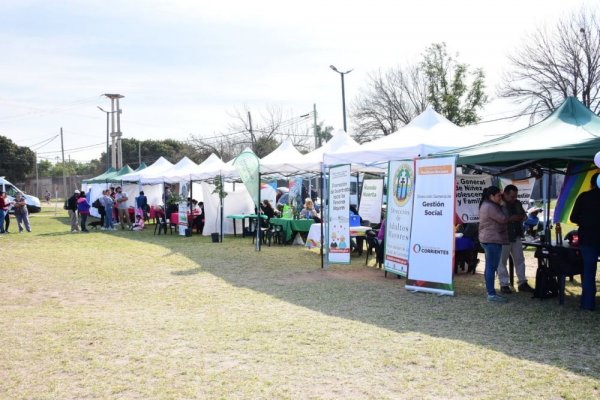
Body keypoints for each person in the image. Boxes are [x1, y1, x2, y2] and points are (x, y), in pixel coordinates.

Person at [478, 186, 523, 303]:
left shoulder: (489, 205)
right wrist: (503, 206)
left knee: (490, 267)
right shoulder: (490, 206)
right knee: (491, 267)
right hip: (492, 240)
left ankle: (491, 292)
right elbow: (504, 219)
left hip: (491, 239)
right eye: (498, 196)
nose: (500, 198)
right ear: (491, 196)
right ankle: (491, 294)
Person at [569, 172, 600, 311]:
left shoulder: (584, 197)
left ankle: (588, 304)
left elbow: (573, 217)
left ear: (591, 183)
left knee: (588, 272)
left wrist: (585, 221)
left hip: (588, 239)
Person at [497, 185, 534, 294]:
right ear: (505, 193)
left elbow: (523, 215)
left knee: (520, 260)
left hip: (516, 234)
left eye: (515, 196)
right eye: (512, 196)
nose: (514, 199)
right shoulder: (498, 203)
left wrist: (523, 216)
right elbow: (497, 218)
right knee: (501, 262)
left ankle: (522, 283)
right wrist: (510, 218)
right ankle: (504, 284)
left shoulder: (517, 203)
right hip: (503, 235)